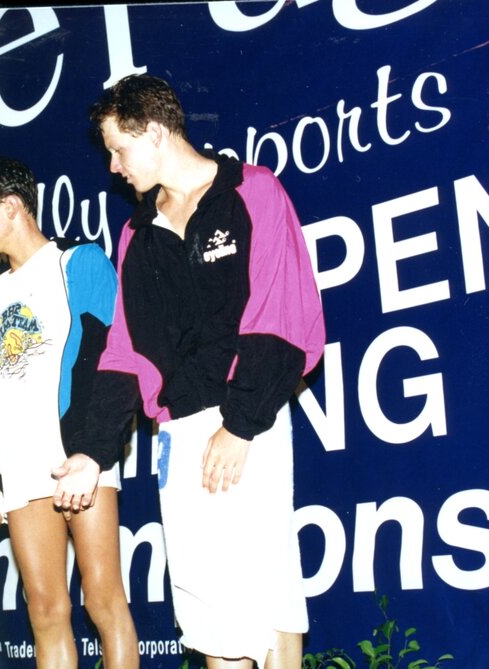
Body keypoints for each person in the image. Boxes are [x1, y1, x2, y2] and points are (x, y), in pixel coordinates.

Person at [61, 73, 326, 669]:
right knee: (207, 610)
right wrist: (91, 451)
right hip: (178, 435)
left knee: (264, 597)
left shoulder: (252, 191)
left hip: (244, 421)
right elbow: (126, 351)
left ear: (153, 133)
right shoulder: (135, 234)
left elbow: (280, 316)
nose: (112, 166)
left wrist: (241, 424)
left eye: (117, 149)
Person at [0, 158, 139, 669]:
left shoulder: (78, 263)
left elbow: (107, 359)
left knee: (103, 601)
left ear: (11, 207)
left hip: (77, 457)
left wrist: (91, 450)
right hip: (20, 469)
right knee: (46, 611)